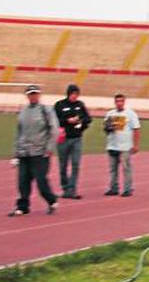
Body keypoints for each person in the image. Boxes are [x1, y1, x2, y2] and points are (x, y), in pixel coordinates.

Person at [10, 84, 59, 216]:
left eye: (35, 94)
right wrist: (16, 153)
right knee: (22, 181)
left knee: (41, 181)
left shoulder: (46, 110)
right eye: (30, 94)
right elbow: (19, 133)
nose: (33, 96)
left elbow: (54, 129)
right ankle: (23, 206)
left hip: (40, 153)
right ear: (27, 96)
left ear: (39, 95)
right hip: (24, 152)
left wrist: (49, 148)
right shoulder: (23, 111)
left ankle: (51, 200)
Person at [53, 83, 92, 199]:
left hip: (76, 139)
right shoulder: (59, 105)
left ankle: (72, 189)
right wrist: (67, 121)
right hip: (63, 139)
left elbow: (88, 119)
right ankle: (65, 188)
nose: (75, 96)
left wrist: (81, 124)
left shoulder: (80, 105)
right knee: (63, 165)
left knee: (75, 164)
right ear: (68, 94)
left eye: (76, 94)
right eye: (73, 94)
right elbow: (54, 120)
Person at [103, 94, 140, 197]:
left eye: (121, 101)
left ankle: (127, 189)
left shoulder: (130, 114)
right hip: (112, 145)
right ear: (115, 102)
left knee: (126, 168)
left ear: (124, 102)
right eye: (117, 101)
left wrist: (136, 145)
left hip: (125, 146)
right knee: (112, 169)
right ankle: (113, 188)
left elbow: (136, 129)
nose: (119, 103)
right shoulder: (110, 113)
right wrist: (108, 127)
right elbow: (106, 129)